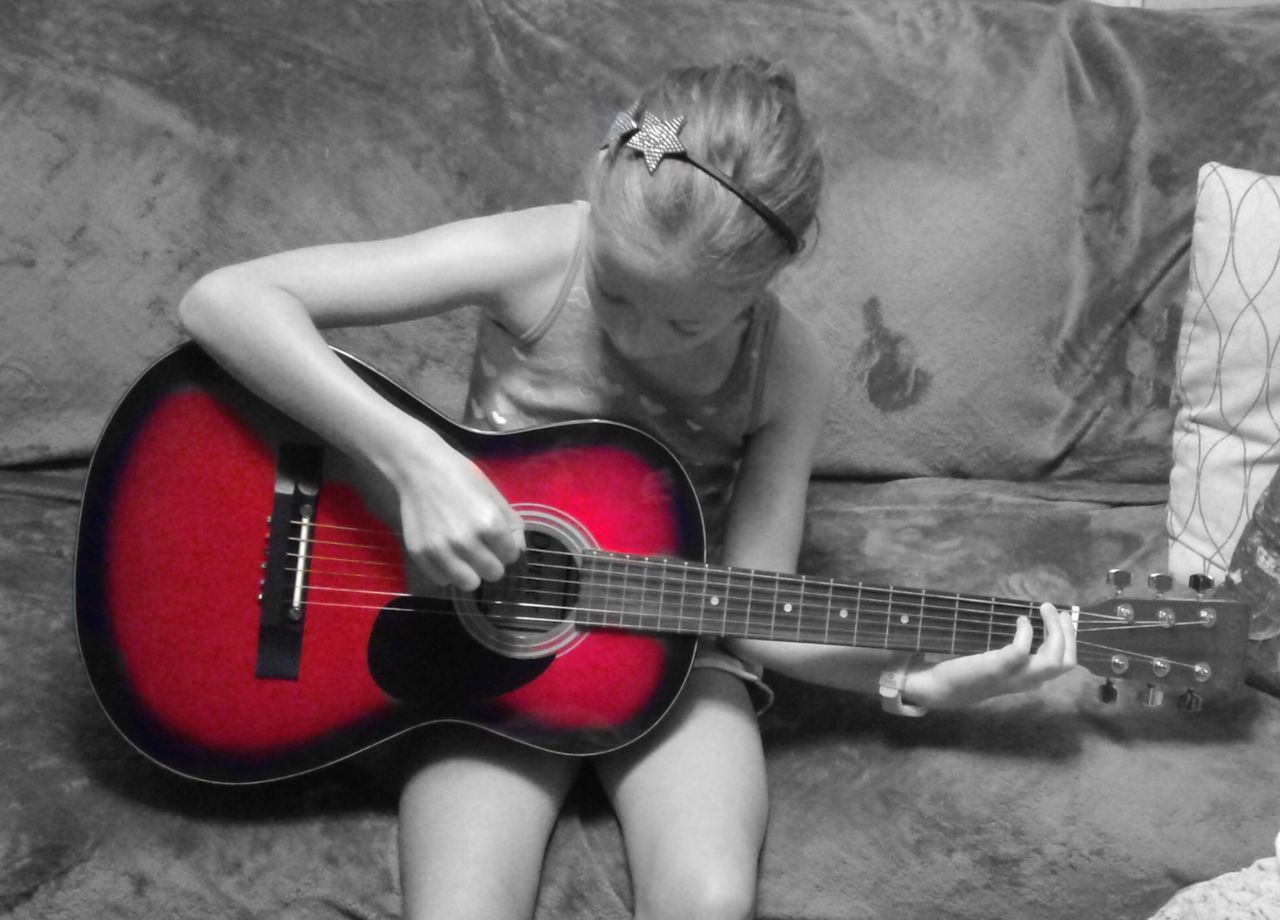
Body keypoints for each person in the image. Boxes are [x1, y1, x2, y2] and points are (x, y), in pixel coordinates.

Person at [178, 57, 1077, 920]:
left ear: (771, 276)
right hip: (469, 629)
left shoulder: (788, 370)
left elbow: (760, 610)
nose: (640, 337)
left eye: (685, 319)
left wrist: (912, 682)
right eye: (613, 292)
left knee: (711, 898)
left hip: (679, 645)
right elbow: (227, 300)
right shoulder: (535, 253)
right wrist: (416, 462)